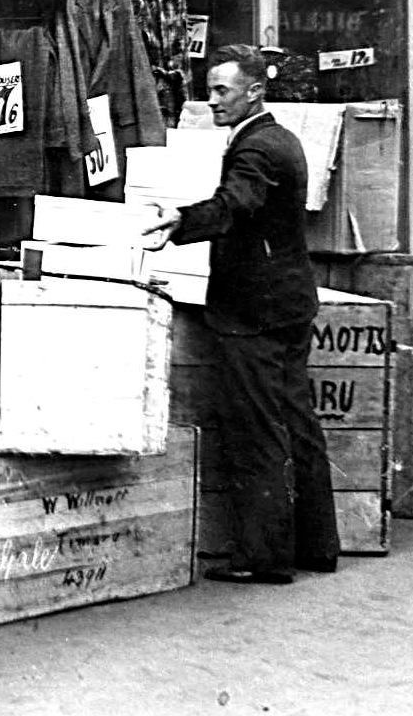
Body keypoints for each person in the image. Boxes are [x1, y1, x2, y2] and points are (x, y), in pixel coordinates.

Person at [142, 43, 339, 584]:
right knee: (296, 421)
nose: (212, 101)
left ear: (255, 90)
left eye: (222, 90)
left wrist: (180, 221)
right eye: (210, 90)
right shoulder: (280, 139)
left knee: (257, 430)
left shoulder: (256, 149)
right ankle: (317, 544)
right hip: (288, 302)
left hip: (255, 310)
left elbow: (235, 205)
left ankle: (263, 559)